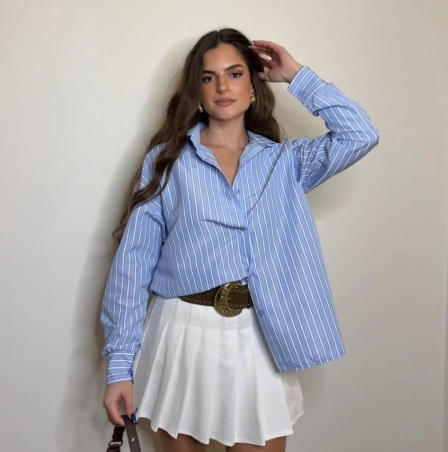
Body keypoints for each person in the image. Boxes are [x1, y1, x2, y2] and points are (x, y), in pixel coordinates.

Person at [100, 27, 379, 452]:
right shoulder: (167, 162)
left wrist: (296, 75)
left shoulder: (286, 162)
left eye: (234, 74)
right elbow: (133, 263)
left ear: (253, 85)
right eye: (208, 77)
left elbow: (361, 134)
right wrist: (120, 365)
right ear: (197, 91)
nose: (222, 86)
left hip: (260, 335)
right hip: (182, 333)